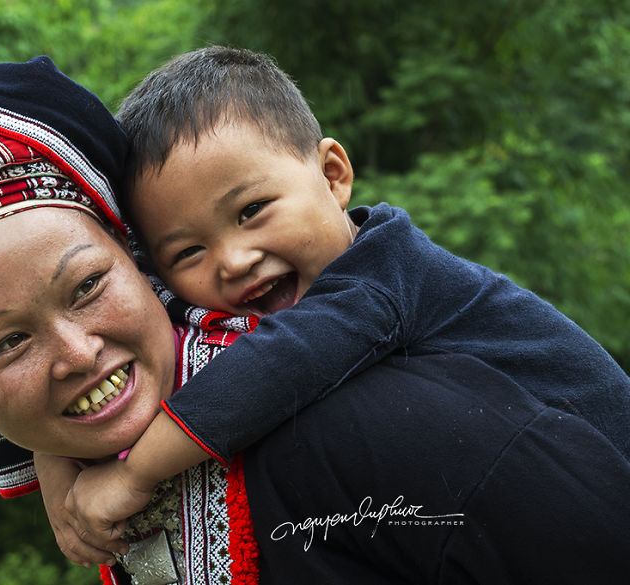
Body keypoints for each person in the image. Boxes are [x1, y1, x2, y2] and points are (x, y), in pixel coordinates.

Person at [0, 56, 630, 585]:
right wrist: (56, 475)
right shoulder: (206, 335)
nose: (78, 352)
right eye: (8, 343)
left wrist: (128, 473)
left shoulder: (363, 387)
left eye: (88, 284)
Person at [64, 45, 630, 555]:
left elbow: (281, 362)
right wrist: (55, 464)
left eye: (252, 210)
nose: (232, 261)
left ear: (333, 176)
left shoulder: (383, 273)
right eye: (188, 252)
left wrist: (135, 475)